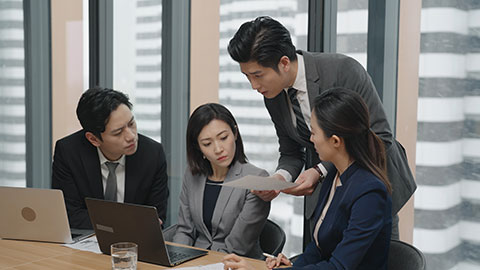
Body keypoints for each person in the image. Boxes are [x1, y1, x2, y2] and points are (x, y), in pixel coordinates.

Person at [227, 16, 415, 242]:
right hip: (328, 199)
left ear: (284, 63)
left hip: (372, 186)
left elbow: (379, 137)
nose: (254, 86)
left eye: (258, 75)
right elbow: (290, 151)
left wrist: (319, 170)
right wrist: (280, 178)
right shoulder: (273, 95)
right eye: (247, 77)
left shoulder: (343, 71)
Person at [223, 88, 392, 270]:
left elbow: (339, 267)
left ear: (335, 141)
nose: (311, 140)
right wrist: (291, 267)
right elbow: (318, 250)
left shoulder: (370, 193)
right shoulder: (334, 175)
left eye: (313, 132)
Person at [52, 87, 169, 229]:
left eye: (131, 124)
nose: (131, 136)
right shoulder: (69, 152)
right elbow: (70, 215)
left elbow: (156, 218)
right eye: (118, 132)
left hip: (134, 245)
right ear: (93, 139)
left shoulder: (152, 154)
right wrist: (128, 222)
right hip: (85, 241)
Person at [173, 103, 270, 259]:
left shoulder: (257, 179)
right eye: (207, 143)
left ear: (235, 134)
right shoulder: (192, 176)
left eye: (223, 138)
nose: (218, 149)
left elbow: (238, 245)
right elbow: (185, 230)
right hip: (194, 262)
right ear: (198, 147)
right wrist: (176, 258)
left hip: (237, 263)